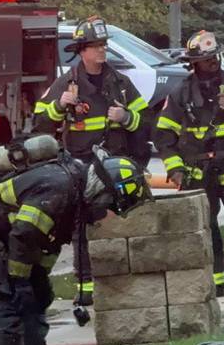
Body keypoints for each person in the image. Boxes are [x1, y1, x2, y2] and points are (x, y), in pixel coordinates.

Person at [0, 150, 148, 345]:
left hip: (5, 242)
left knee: (34, 304)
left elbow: (48, 244)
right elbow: (24, 235)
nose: (104, 213)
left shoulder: (74, 195)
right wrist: (20, 281)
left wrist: (39, 278)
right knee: (4, 305)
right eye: (108, 205)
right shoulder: (58, 188)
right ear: (101, 191)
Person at [33, 16, 148, 305]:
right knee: (81, 228)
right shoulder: (67, 84)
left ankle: (126, 283)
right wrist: (60, 106)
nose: (101, 50)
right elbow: (40, 122)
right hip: (81, 168)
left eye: (103, 45)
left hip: (116, 168)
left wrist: (127, 117)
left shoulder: (121, 84)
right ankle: (85, 290)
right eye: (95, 46)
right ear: (82, 51)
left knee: (125, 224)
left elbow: (147, 123)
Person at [155, 31, 224, 296]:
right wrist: (175, 169)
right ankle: (215, 283)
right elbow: (163, 136)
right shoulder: (181, 92)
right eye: (207, 59)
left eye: (215, 56)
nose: (213, 62)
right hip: (198, 174)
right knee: (207, 230)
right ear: (194, 62)